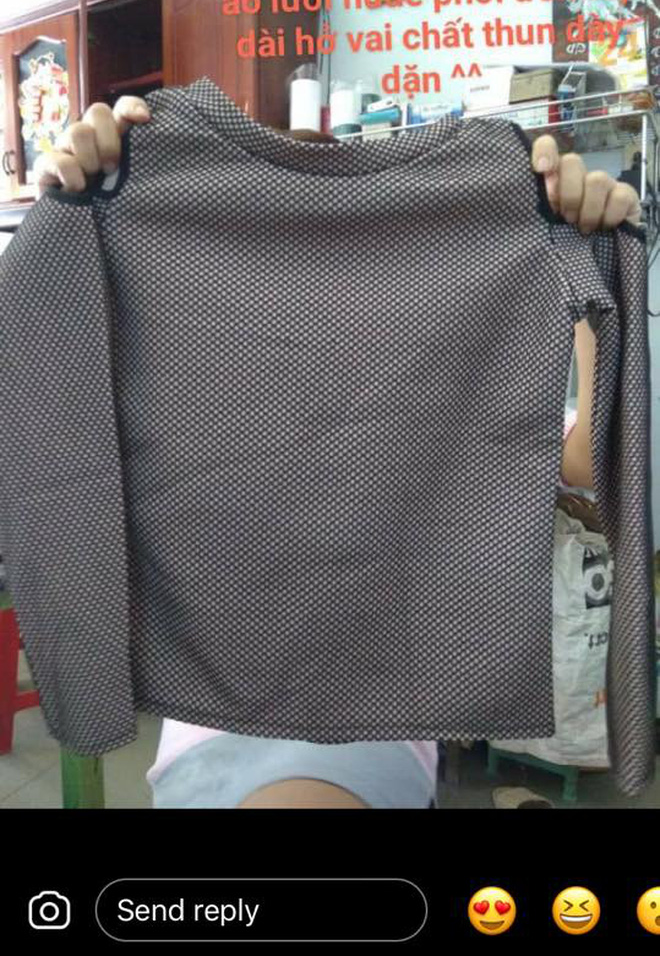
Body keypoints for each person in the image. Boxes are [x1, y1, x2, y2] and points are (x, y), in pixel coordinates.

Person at [34, 97, 643, 809]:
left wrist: (582, 255)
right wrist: (67, 216)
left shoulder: (445, 361)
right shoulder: (190, 365)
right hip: (229, 718)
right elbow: (58, 434)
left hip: (372, 723)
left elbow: (584, 463)